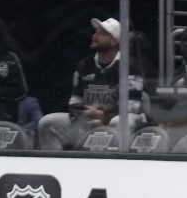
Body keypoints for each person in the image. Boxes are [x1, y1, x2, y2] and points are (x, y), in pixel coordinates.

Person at [37, 17, 146, 151]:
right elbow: (75, 98)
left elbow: (132, 106)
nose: (95, 36)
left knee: (119, 121)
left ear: (114, 41)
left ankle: (119, 162)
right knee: (48, 122)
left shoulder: (130, 66)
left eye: (102, 33)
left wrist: (103, 114)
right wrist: (79, 111)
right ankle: (53, 165)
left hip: (115, 119)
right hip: (88, 119)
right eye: (95, 32)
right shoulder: (84, 65)